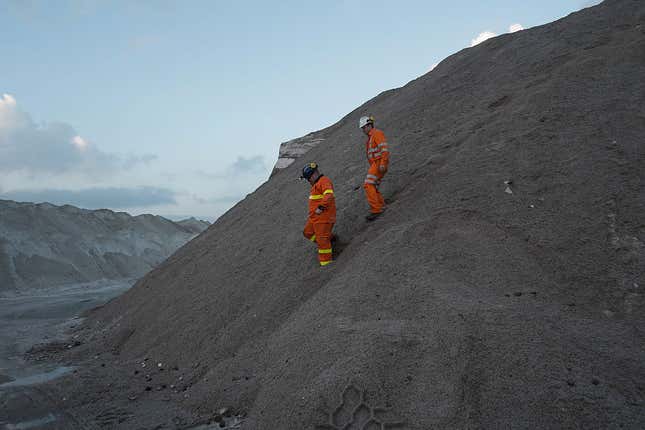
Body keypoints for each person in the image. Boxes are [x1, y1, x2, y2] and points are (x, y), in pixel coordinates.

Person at [301, 162, 336, 267]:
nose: (308, 181)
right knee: (308, 232)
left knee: (322, 241)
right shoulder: (316, 184)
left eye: (308, 178)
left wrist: (321, 207)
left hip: (323, 218)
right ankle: (330, 240)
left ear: (313, 174)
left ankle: (326, 264)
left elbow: (329, 194)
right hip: (315, 219)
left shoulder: (323, 181)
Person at [359, 115, 389, 220]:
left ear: (370, 125)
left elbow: (384, 149)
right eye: (362, 128)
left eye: (364, 127)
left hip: (378, 163)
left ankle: (376, 209)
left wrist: (383, 163)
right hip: (376, 164)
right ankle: (381, 205)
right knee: (373, 185)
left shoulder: (376, 133)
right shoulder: (371, 138)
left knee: (368, 185)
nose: (363, 130)